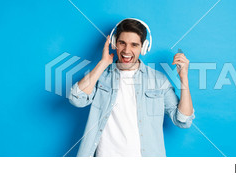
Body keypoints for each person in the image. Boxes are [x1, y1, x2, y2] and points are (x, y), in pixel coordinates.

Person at [69, 18, 195, 157]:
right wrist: (103, 63)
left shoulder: (158, 80)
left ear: (144, 47)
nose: (126, 50)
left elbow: (183, 120)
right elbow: (77, 99)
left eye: (134, 45)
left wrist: (183, 78)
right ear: (114, 43)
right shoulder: (100, 76)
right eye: (122, 43)